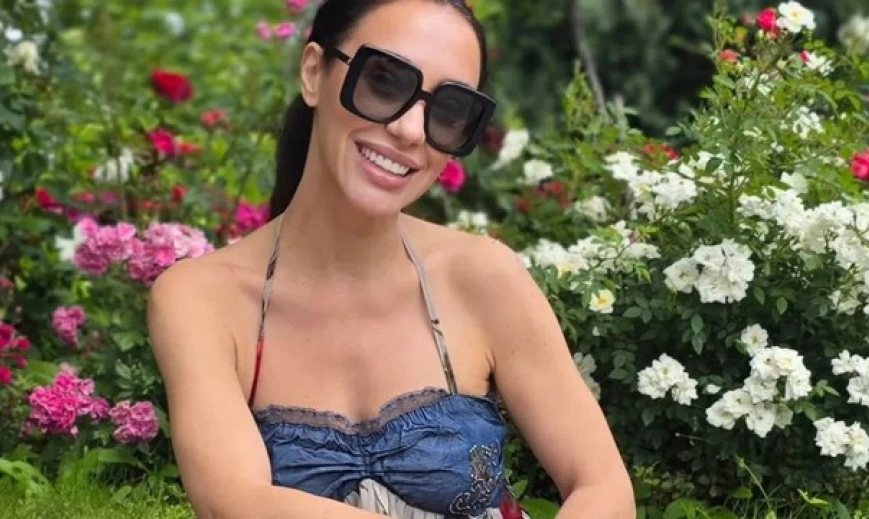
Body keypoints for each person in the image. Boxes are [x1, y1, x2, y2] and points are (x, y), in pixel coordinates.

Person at [147, 0, 635, 517]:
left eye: (449, 111)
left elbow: (603, 485)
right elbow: (233, 501)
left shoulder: (481, 275)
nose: (411, 129)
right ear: (313, 72)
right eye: (384, 81)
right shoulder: (204, 298)